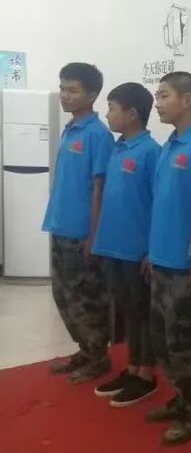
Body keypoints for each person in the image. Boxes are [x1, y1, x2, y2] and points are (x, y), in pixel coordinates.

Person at [145, 71, 191, 445]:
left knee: (185, 344)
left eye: (164, 95)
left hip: (184, 266)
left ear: (187, 100)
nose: (157, 103)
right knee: (162, 341)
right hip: (160, 260)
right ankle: (181, 397)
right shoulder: (169, 144)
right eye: (157, 96)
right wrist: (151, 251)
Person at [44, 62, 114, 384]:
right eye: (62, 88)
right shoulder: (70, 128)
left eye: (72, 90)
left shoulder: (98, 134)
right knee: (63, 295)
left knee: (87, 298)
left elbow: (100, 188)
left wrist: (94, 236)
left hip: (82, 232)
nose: (65, 95)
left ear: (92, 95)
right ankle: (85, 349)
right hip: (60, 226)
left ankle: (98, 355)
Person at [91, 83, 161, 406]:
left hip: (136, 250)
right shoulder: (117, 148)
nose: (107, 115)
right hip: (112, 246)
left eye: (112, 108)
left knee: (142, 312)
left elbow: (158, 204)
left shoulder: (151, 151)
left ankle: (146, 375)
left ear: (132, 114)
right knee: (127, 312)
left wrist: (151, 249)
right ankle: (132, 368)